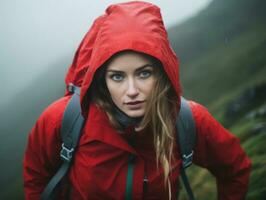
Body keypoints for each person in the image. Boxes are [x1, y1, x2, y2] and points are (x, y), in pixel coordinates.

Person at [23, 1, 251, 200]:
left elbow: (234, 168)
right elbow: (36, 178)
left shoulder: (187, 120)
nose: (131, 91)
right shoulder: (63, 119)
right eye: (117, 76)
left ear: (161, 74)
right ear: (102, 80)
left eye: (144, 73)